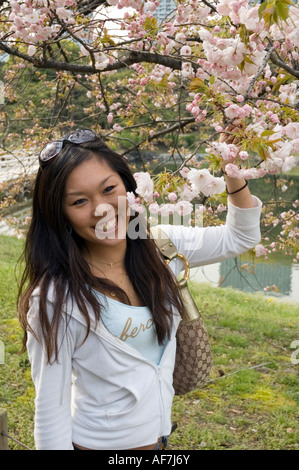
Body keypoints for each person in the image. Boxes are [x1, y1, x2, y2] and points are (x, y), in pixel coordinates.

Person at [18, 126, 262, 450]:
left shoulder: (161, 247)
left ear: (128, 187)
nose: (102, 209)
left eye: (109, 189)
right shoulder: (56, 299)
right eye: (79, 201)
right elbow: (51, 412)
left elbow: (242, 238)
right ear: (60, 214)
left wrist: (234, 173)